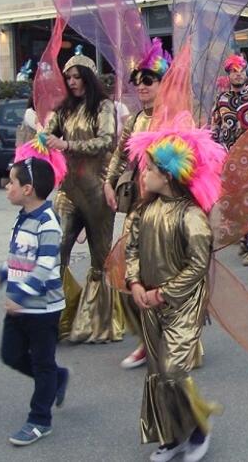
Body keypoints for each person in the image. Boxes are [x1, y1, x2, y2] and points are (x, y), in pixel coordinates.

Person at [125, 119, 225, 462]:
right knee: (157, 373)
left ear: (167, 174)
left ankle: (197, 429)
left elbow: (198, 266)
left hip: (182, 304)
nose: (144, 174)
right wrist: (135, 283)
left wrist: (163, 293)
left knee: (172, 369)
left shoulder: (192, 216)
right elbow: (132, 250)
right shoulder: (145, 210)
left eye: (149, 169)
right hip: (149, 300)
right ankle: (171, 435)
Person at [0, 147, 70, 446]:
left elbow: (46, 265)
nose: (7, 187)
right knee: (11, 355)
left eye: (11, 182)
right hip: (20, 305)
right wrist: (1, 273)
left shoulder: (47, 222)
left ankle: (39, 419)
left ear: (28, 189)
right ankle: (57, 378)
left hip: (43, 308)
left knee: (42, 363)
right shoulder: (24, 217)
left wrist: (19, 294)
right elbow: (18, 256)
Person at [44, 49, 121, 343]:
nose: (72, 81)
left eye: (77, 77)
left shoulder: (103, 107)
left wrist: (66, 145)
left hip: (98, 192)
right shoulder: (63, 110)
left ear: (88, 78)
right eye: (69, 77)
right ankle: (56, 318)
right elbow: (45, 135)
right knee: (55, 248)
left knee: (100, 259)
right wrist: (38, 139)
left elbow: (106, 141)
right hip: (68, 191)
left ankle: (98, 322)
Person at [105, 40, 171, 370]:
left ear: (164, 83)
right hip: (138, 207)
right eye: (138, 81)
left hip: (168, 209)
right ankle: (147, 340)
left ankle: (170, 341)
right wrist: (108, 180)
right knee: (127, 271)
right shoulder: (135, 120)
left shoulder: (177, 118)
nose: (141, 86)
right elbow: (120, 152)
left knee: (163, 275)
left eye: (149, 80)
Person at [209, 54, 248, 267]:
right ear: (228, 74)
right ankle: (242, 236)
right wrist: (212, 155)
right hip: (228, 161)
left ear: (246, 72)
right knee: (233, 203)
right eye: (234, 70)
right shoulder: (222, 100)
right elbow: (214, 128)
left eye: (241, 70)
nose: (238, 74)